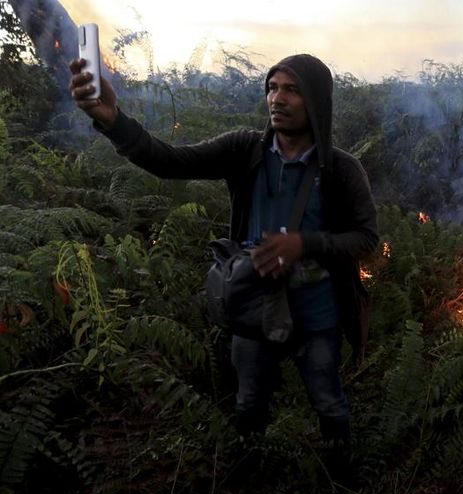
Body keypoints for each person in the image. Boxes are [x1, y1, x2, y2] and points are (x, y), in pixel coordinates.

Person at [69, 53, 378, 444]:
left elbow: (366, 240)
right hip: (254, 306)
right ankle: (248, 472)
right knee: (248, 403)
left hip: (317, 313)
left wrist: (305, 244)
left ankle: (341, 479)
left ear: (316, 100)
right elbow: (169, 162)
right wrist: (113, 119)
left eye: (292, 91)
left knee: (329, 401)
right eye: (272, 88)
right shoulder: (244, 150)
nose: (277, 99)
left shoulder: (342, 170)